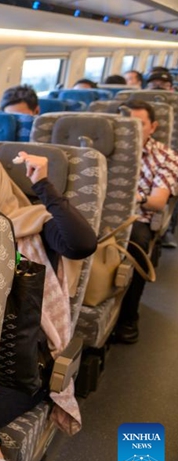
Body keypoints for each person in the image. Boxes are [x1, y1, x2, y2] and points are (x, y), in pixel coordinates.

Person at [0, 154, 97, 461]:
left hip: (21, 365)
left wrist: (43, 185)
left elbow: (82, 243)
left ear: (0, 183)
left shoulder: (34, 223)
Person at [114, 100, 178, 344]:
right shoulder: (106, 151)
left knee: (137, 242)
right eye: (127, 124)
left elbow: (158, 201)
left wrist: (132, 196)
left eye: (139, 125)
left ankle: (129, 317)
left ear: (153, 127)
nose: (132, 130)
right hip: (99, 216)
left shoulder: (166, 156)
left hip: (137, 216)